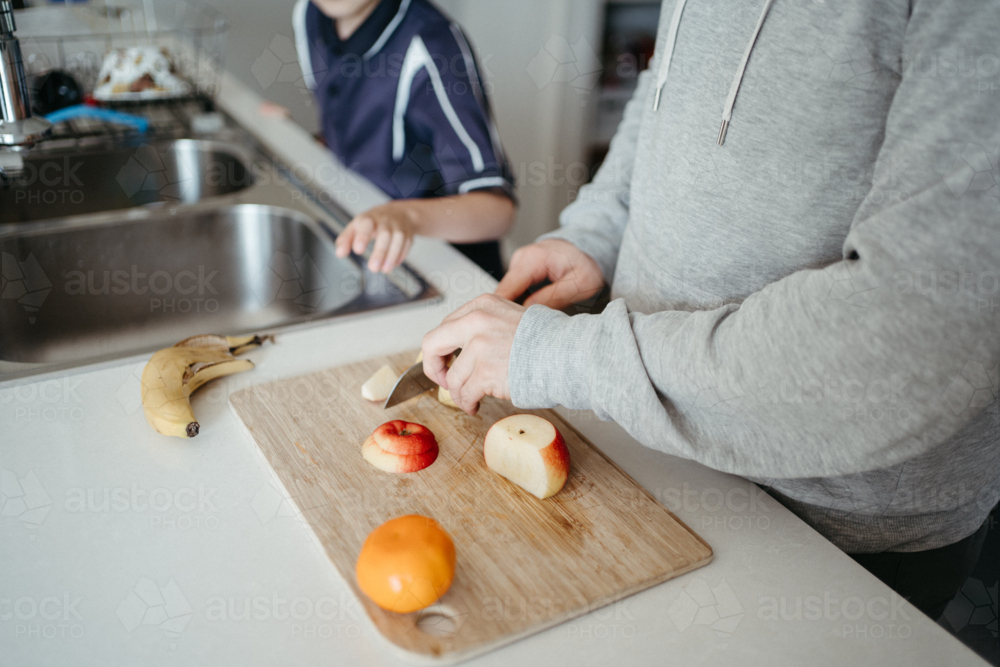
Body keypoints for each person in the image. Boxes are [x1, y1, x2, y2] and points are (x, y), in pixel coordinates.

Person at [421, 0, 999, 619]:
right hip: (652, 446)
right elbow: (670, 86)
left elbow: (911, 334)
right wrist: (597, 233)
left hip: (835, 527)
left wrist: (566, 356)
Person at [290, 0, 515, 278]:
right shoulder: (309, 14)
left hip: (452, 266)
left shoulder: (431, 44)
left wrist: (405, 217)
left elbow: (497, 211)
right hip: (369, 237)